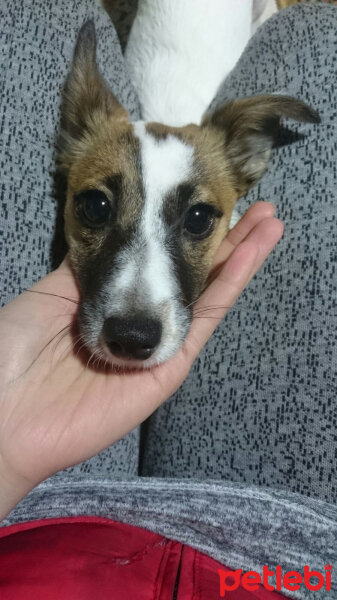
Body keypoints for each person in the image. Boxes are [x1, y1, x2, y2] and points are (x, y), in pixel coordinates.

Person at [0, 1, 336, 598]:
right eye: (99, 207)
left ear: (247, 163)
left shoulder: (222, 152)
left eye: (200, 217)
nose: (137, 303)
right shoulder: (92, 138)